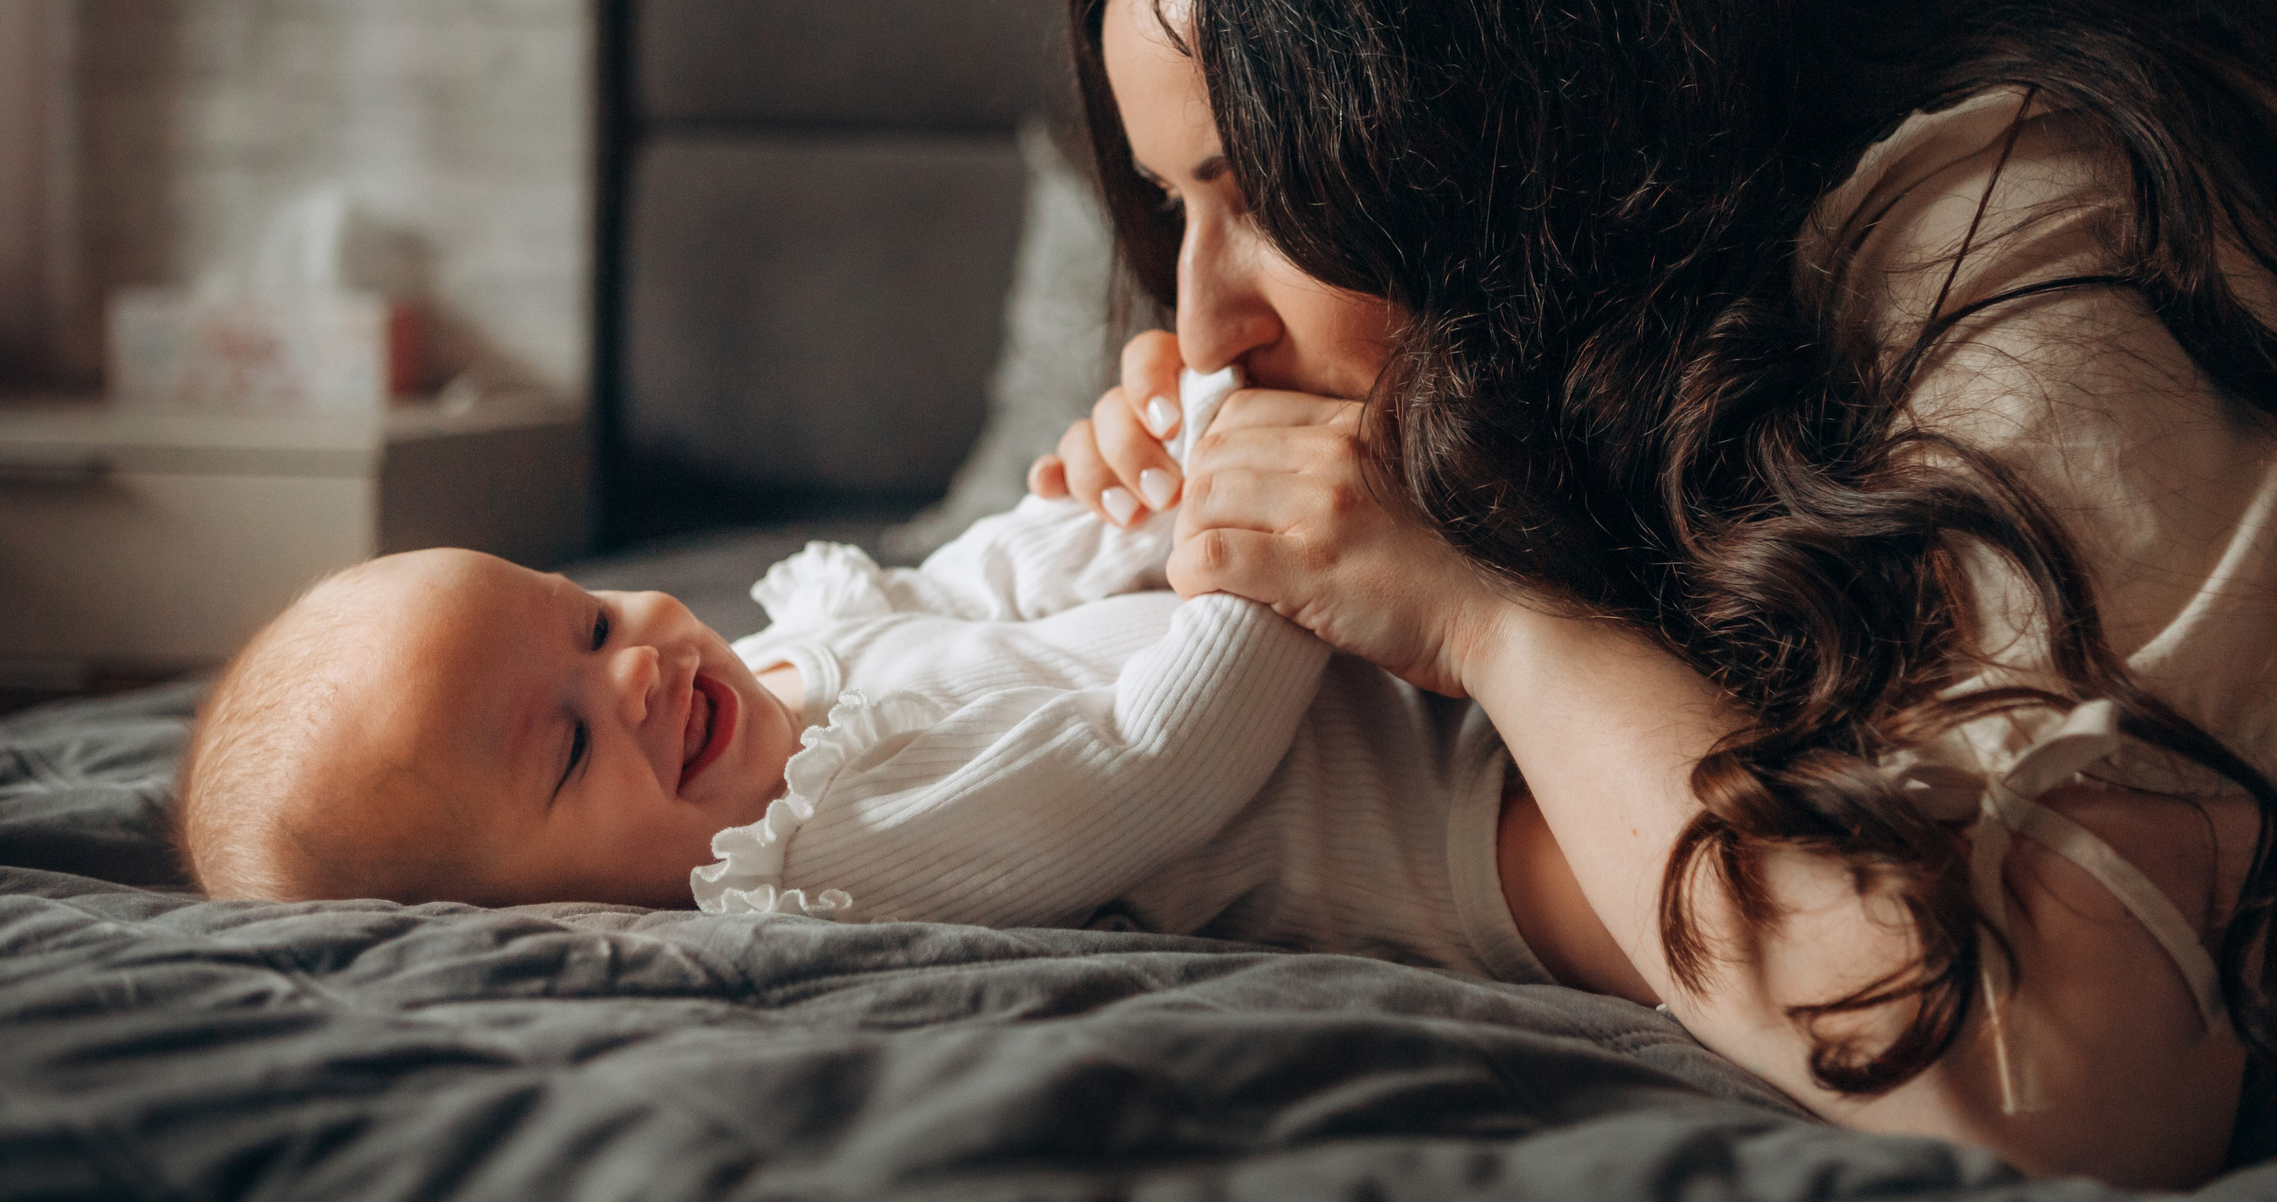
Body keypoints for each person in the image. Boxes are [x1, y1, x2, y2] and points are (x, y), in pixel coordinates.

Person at [1029, 0, 2277, 1184]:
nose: (1203, 324)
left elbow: (2057, 1074)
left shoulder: (2040, 225)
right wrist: (1148, 585)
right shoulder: (1653, 357)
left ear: (1510, 139)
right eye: (1174, 208)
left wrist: (1487, 625)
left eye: (1272, 196)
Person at [173, 365, 1645, 1005]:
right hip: (1449, 835)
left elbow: (973, 579)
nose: (632, 673)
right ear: (533, 918)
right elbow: (1155, 767)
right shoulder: (825, 859)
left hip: (1402, 657)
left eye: (585, 619)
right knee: (1679, 872)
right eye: (562, 753)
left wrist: (1156, 476)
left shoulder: (778, 665)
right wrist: (1262, 564)